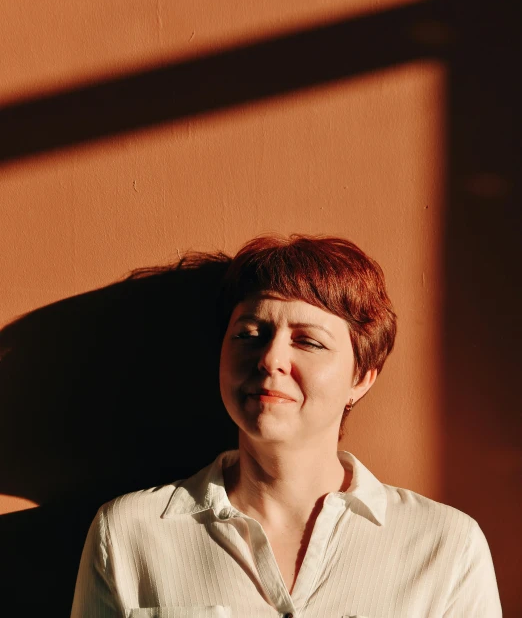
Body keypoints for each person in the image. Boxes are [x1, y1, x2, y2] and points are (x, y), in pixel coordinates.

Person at [70, 235, 502, 617]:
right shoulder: (129, 532)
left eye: (308, 341)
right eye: (250, 334)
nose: (270, 359)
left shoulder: (445, 546)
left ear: (362, 377)